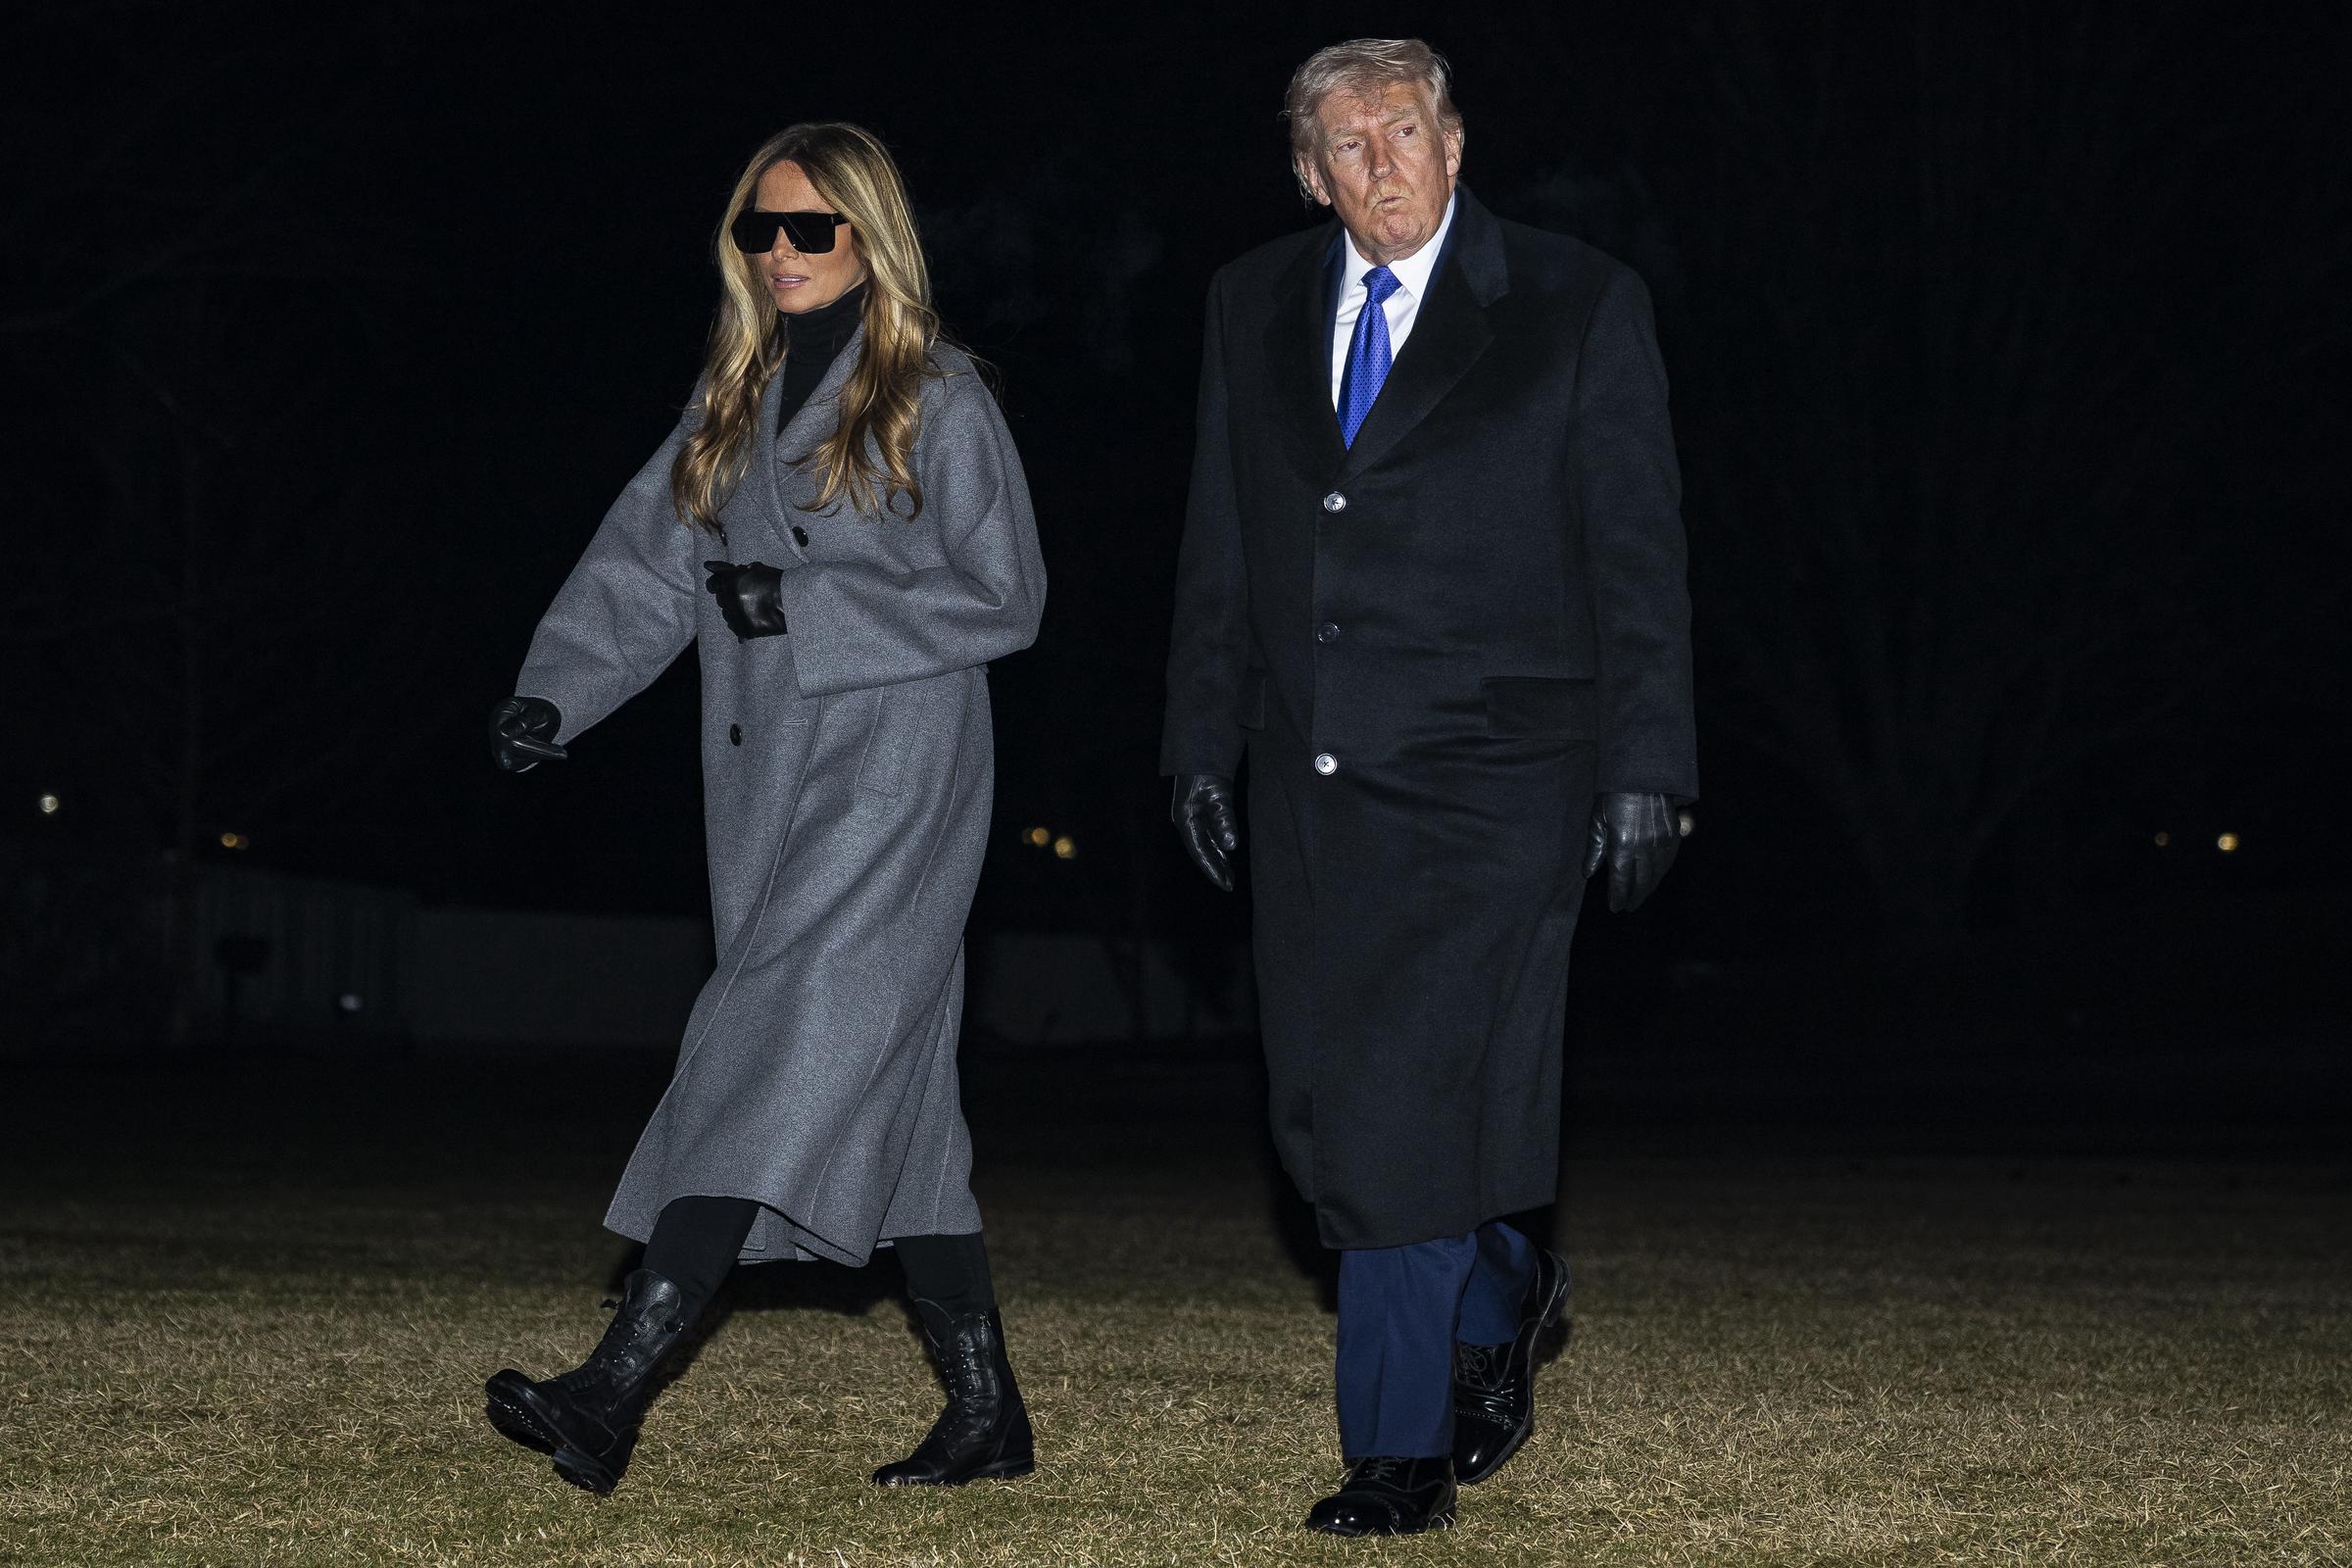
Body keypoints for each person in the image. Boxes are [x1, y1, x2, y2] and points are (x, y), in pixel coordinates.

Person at [1160, 39, 1697, 1536]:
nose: (1380, 162)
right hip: (1311, 780)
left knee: (1405, 1103)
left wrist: (1651, 766)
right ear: (1309, 173)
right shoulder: (1250, 302)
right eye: (1347, 143)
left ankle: (1396, 1454)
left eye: (1403, 130)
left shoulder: (1577, 301)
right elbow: (1223, 535)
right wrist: (1199, 738)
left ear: (1456, 144)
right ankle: (1505, 1285)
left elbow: (1638, 554)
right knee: (1325, 1121)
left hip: (1498, 777)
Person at [479, 122, 1046, 1496]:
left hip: (899, 773)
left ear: (869, 236)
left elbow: (1007, 597)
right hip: (765, 778)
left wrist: (807, 601)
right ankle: (988, 1414)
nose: (781, 251)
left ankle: (613, 1388)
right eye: (759, 228)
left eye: (811, 227)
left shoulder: (940, 394)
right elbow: (646, 564)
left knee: (767, 1034)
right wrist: (555, 692)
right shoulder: (731, 396)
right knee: (896, 1100)